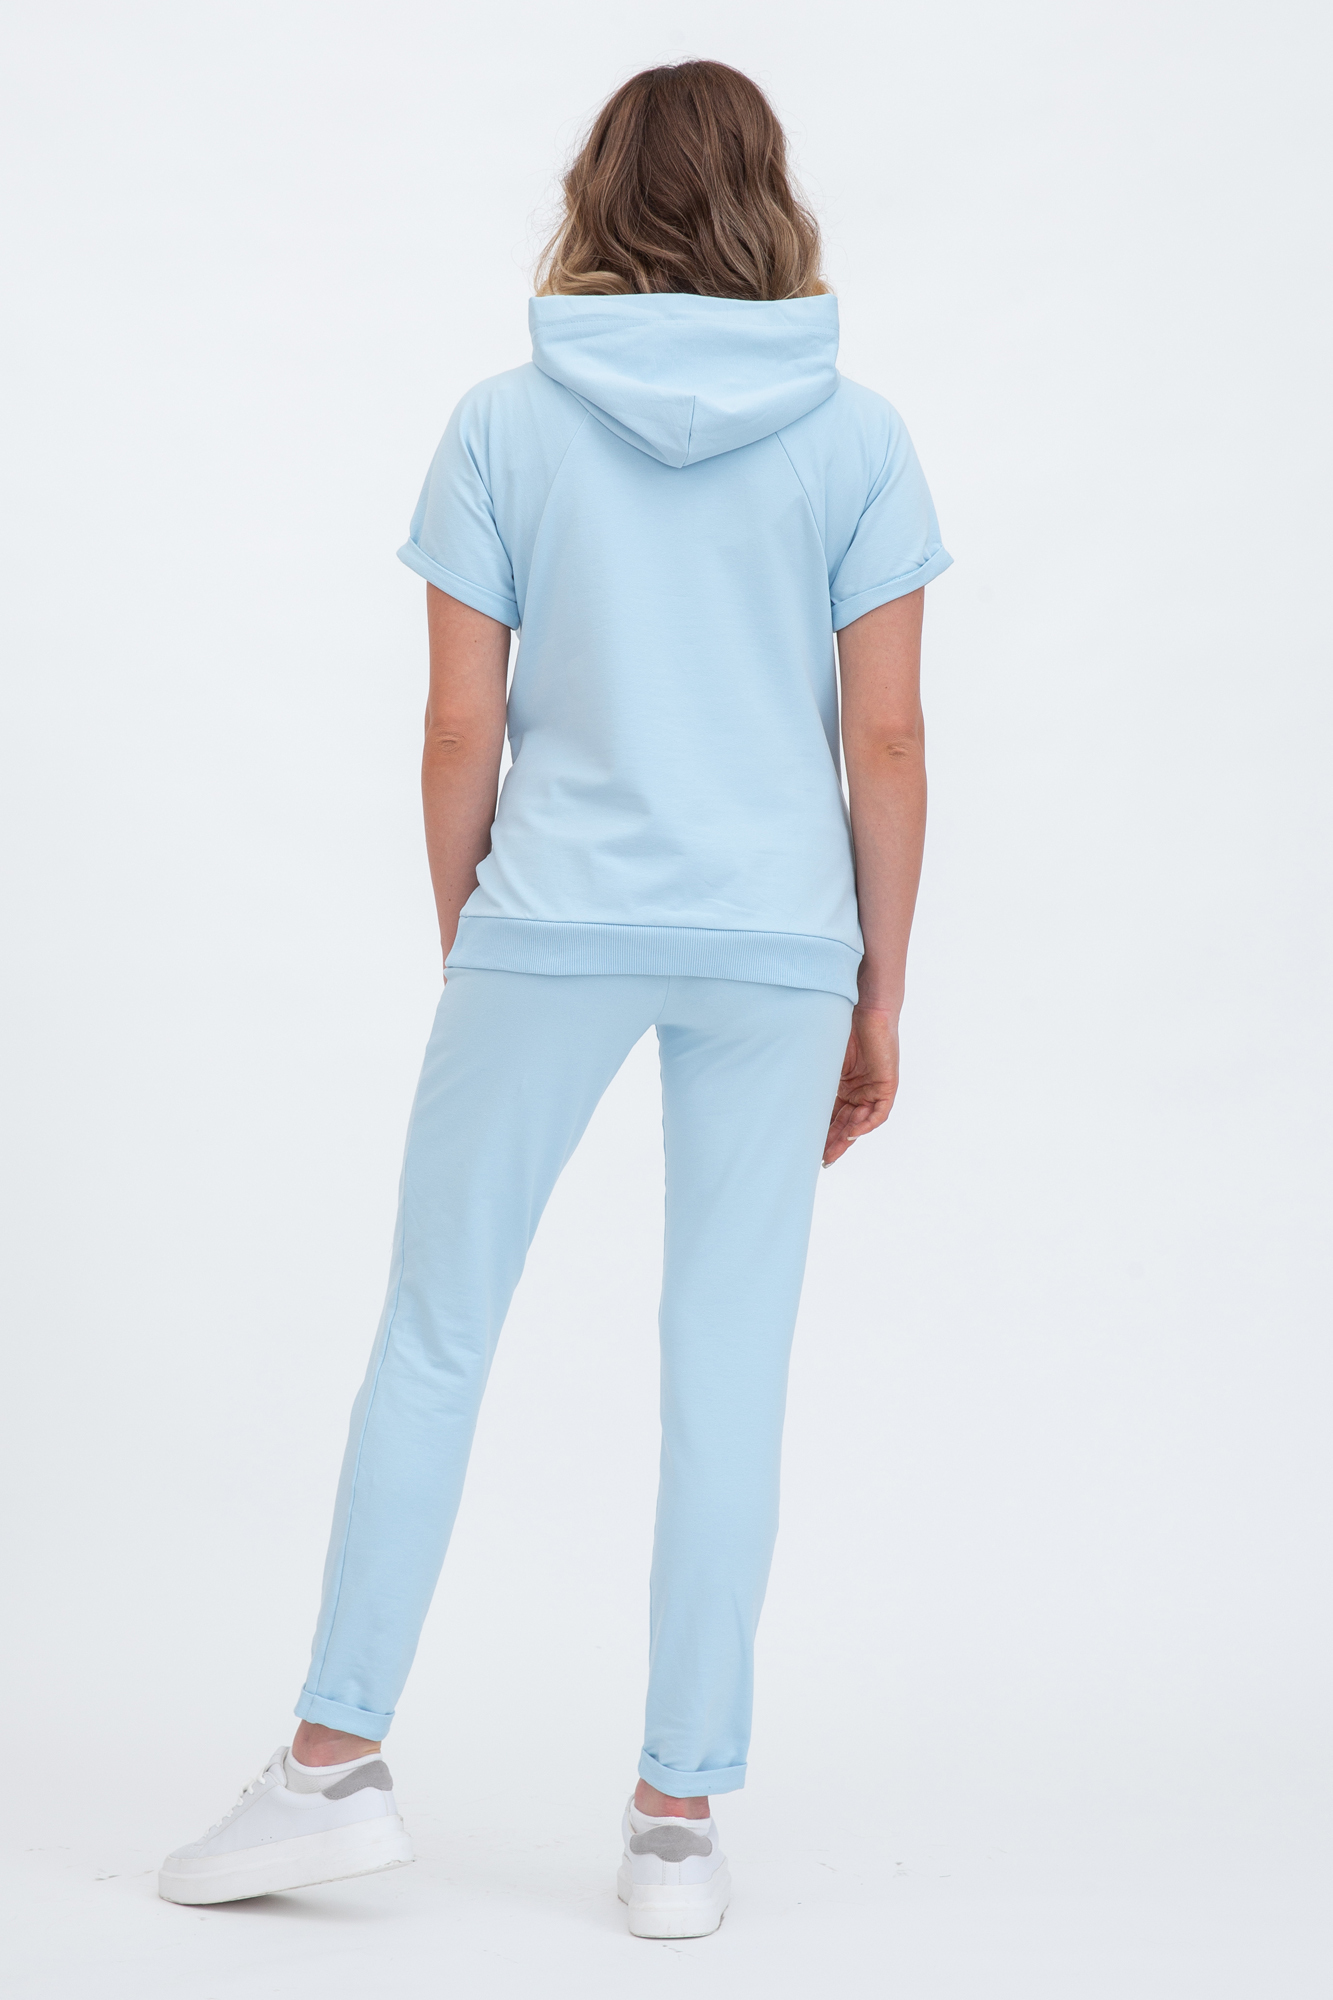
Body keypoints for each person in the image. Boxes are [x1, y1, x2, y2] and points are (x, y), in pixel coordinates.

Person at [158, 59, 951, 1938]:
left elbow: (458, 727)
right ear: (769, 202)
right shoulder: (857, 438)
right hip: (779, 944)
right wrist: (878, 993)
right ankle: (676, 1825)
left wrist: (481, 937)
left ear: (596, 195)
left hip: (548, 921)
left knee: (436, 1332)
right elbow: (888, 741)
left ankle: (330, 1767)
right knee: (728, 1360)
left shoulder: (502, 422)